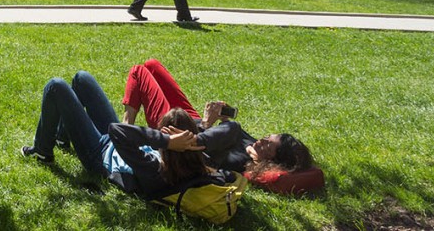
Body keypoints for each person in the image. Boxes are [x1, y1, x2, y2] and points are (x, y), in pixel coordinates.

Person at [21, 71, 224, 198]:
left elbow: (117, 131)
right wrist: (204, 126)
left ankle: (42, 151)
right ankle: (62, 138)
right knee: (81, 79)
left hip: (100, 154)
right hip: (116, 141)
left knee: (56, 86)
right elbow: (232, 130)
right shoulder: (196, 154)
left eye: (163, 131)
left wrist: (166, 140)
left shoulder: (155, 169)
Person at [119, 60, 318, 189]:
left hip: (177, 128)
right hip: (193, 120)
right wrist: (221, 120)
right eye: (266, 137)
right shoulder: (252, 144)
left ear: (273, 159)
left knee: (138, 72)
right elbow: (226, 133)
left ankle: (125, 126)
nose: (262, 140)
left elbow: (200, 150)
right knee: (152, 65)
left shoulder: (242, 163)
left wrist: (207, 124)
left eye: (268, 144)